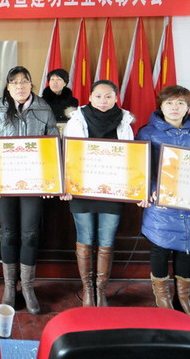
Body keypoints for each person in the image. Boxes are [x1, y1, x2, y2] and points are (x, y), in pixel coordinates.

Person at [0, 66, 58, 314]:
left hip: (34, 183)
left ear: (31, 84)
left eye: (24, 81)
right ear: (8, 86)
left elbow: (54, 144)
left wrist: (51, 180)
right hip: (4, 183)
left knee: (30, 234)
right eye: (14, 82)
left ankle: (27, 287)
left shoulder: (44, 108)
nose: (20, 86)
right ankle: (8, 287)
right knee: (7, 233)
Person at [136, 85, 190, 323]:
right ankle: (163, 299)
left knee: (186, 247)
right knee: (160, 247)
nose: (175, 107)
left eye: (180, 103)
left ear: (188, 107)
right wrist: (149, 191)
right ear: (161, 106)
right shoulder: (147, 132)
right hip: (161, 201)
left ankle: (183, 300)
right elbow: (141, 167)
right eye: (169, 103)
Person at [62, 80, 135, 307]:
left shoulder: (124, 121)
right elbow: (67, 154)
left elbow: (132, 156)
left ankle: (101, 289)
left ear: (116, 98)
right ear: (90, 97)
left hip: (112, 190)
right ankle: (87, 289)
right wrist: (66, 185)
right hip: (81, 190)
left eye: (108, 96)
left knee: (106, 240)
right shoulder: (77, 120)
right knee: (85, 237)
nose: (103, 100)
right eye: (98, 96)